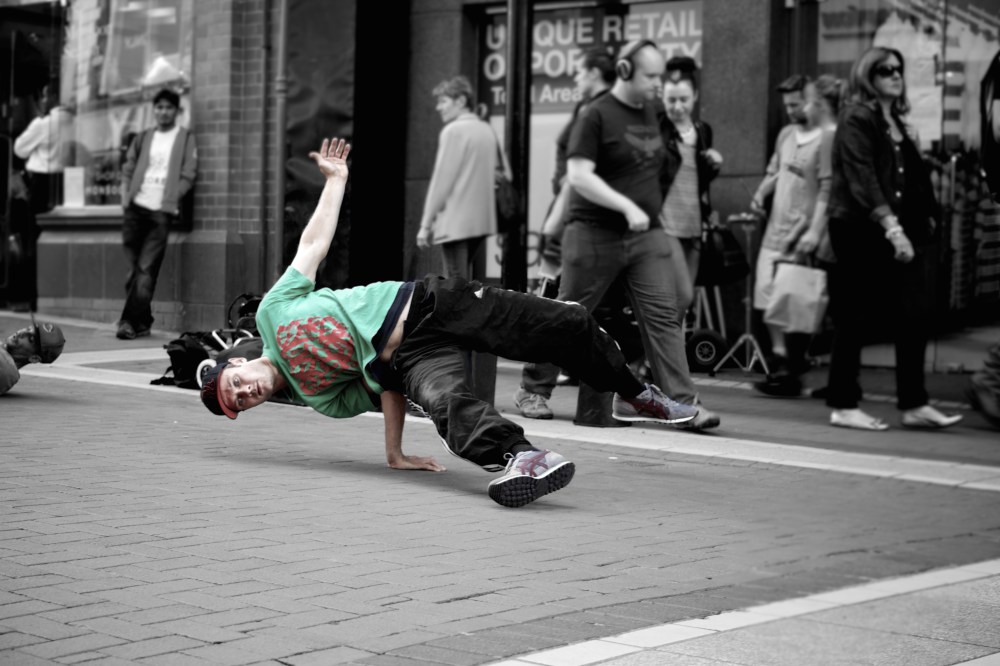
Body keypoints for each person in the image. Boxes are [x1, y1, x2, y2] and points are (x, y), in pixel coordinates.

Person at [198, 137, 697, 508]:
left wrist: (336, 183)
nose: (244, 392)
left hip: (430, 303)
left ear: (238, 363)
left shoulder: (272, 313)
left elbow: (312, 249)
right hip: (411, 358)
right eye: (239, 401)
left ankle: (636, 392)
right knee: (444, 404)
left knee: (565, 322)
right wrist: (395, 453)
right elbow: (389, 390)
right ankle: (523, 458)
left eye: (235, 384)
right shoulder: (320, 400)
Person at [515, 40, 720, 431]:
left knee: (663, 316)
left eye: (662, 76)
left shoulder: (654, 112)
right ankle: (533, 389)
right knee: (569, 317)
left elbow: (674, 157)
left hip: (646, 238)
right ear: (625, 71)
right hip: (594, 234)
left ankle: (683, 404)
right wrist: (622, 207)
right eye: (652, 76)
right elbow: (578, 176)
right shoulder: (596, 114)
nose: (659, 84)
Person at [824, 46, 961, 431]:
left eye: (899, 69)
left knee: (913, 315)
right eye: (885, 70)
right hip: (859, 228)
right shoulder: (857, 117)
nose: (895, 75)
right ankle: (843, 403)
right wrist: (893, 227)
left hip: (894, 229)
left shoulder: (895, 120)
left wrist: (926, 217)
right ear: (868, 75)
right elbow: (862, 176)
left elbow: (909, 179)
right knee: (854, 316)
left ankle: (914, 403)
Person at [752, 75, 843, 398]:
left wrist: (813, 229)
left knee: (796, 297)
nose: (791, 110)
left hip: (803, 232)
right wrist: (760, 194)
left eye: (796, 104)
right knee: (766, 294)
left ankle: (790, 366)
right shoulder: (786, 134)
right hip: (776, 228)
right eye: (787, 105)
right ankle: (781, 360)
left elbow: (826, 188)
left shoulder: (827, 138)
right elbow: (775, 170)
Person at [117, 88, 198, 340]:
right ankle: (144, 321)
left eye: (168, 107)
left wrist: (174, 197)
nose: (163, 112)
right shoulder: (143, 137)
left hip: (161, 213)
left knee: (145, 269)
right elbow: (128, 167)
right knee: (135, 272)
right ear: (154, 110)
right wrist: (125, 197)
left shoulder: (185, 138)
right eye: (159, 107)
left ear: (177, 111)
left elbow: (189, 172)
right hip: (135, 209)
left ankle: (128, 322)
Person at [537, 47, 616, 289]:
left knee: (563, 271)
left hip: (581, 205)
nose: (575, 78)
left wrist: (567, 179)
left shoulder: (601, 109)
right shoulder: (586, 107)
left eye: (579, 71)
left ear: (594, 73)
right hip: (573, 198)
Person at [657, 56, 723, 330]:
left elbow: (699, 180)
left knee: (683, 301)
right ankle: (655, 358)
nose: (677, 107)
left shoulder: (703, 131)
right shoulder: (656, 128)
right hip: (665, 224)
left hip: (693, 224)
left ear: (695, 95)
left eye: (684, 99)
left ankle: (655, 362)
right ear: (662, 98)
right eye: (671, 100)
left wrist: (714, 164)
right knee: (680, 294)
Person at [416, 76, 497, 280]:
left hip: (456, 221)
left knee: (455, 284)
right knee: (462, 280)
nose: (438, 108)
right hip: (481, 221)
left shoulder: (453, 131)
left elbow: (441, 182)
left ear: (461, 101)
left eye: (444, 101)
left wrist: (426, 224)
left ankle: (462, 313)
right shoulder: (486, 129)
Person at [11, 84, 73, 311]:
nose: (43, 100)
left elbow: (19, 149)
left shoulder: (45, 123)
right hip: (66, 182)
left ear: (55, 97)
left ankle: (33, 296)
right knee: (57, 235)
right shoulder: (74, 122)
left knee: (34, 238)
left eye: (46, 95)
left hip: (41, 183)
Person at [0, 320, 66, 395]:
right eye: (28, 328)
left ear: (34, 358)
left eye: (30, 339)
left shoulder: (7, 372)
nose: (21, 333)